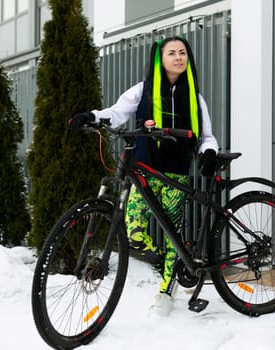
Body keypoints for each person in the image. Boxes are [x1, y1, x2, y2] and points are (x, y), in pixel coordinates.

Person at [70, 36, 219, 316]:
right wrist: (92, 115)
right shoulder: (143, 90)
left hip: (176, 173)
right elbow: (116, 113)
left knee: (174, 235)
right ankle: (167, 262)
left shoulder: (195, 97)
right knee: (135, 232)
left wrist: (209, 152)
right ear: (160, 59)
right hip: (145, 170)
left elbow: (207, 136)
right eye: (172, 53)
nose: (178, 57)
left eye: (183, 53)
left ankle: (165, 293)